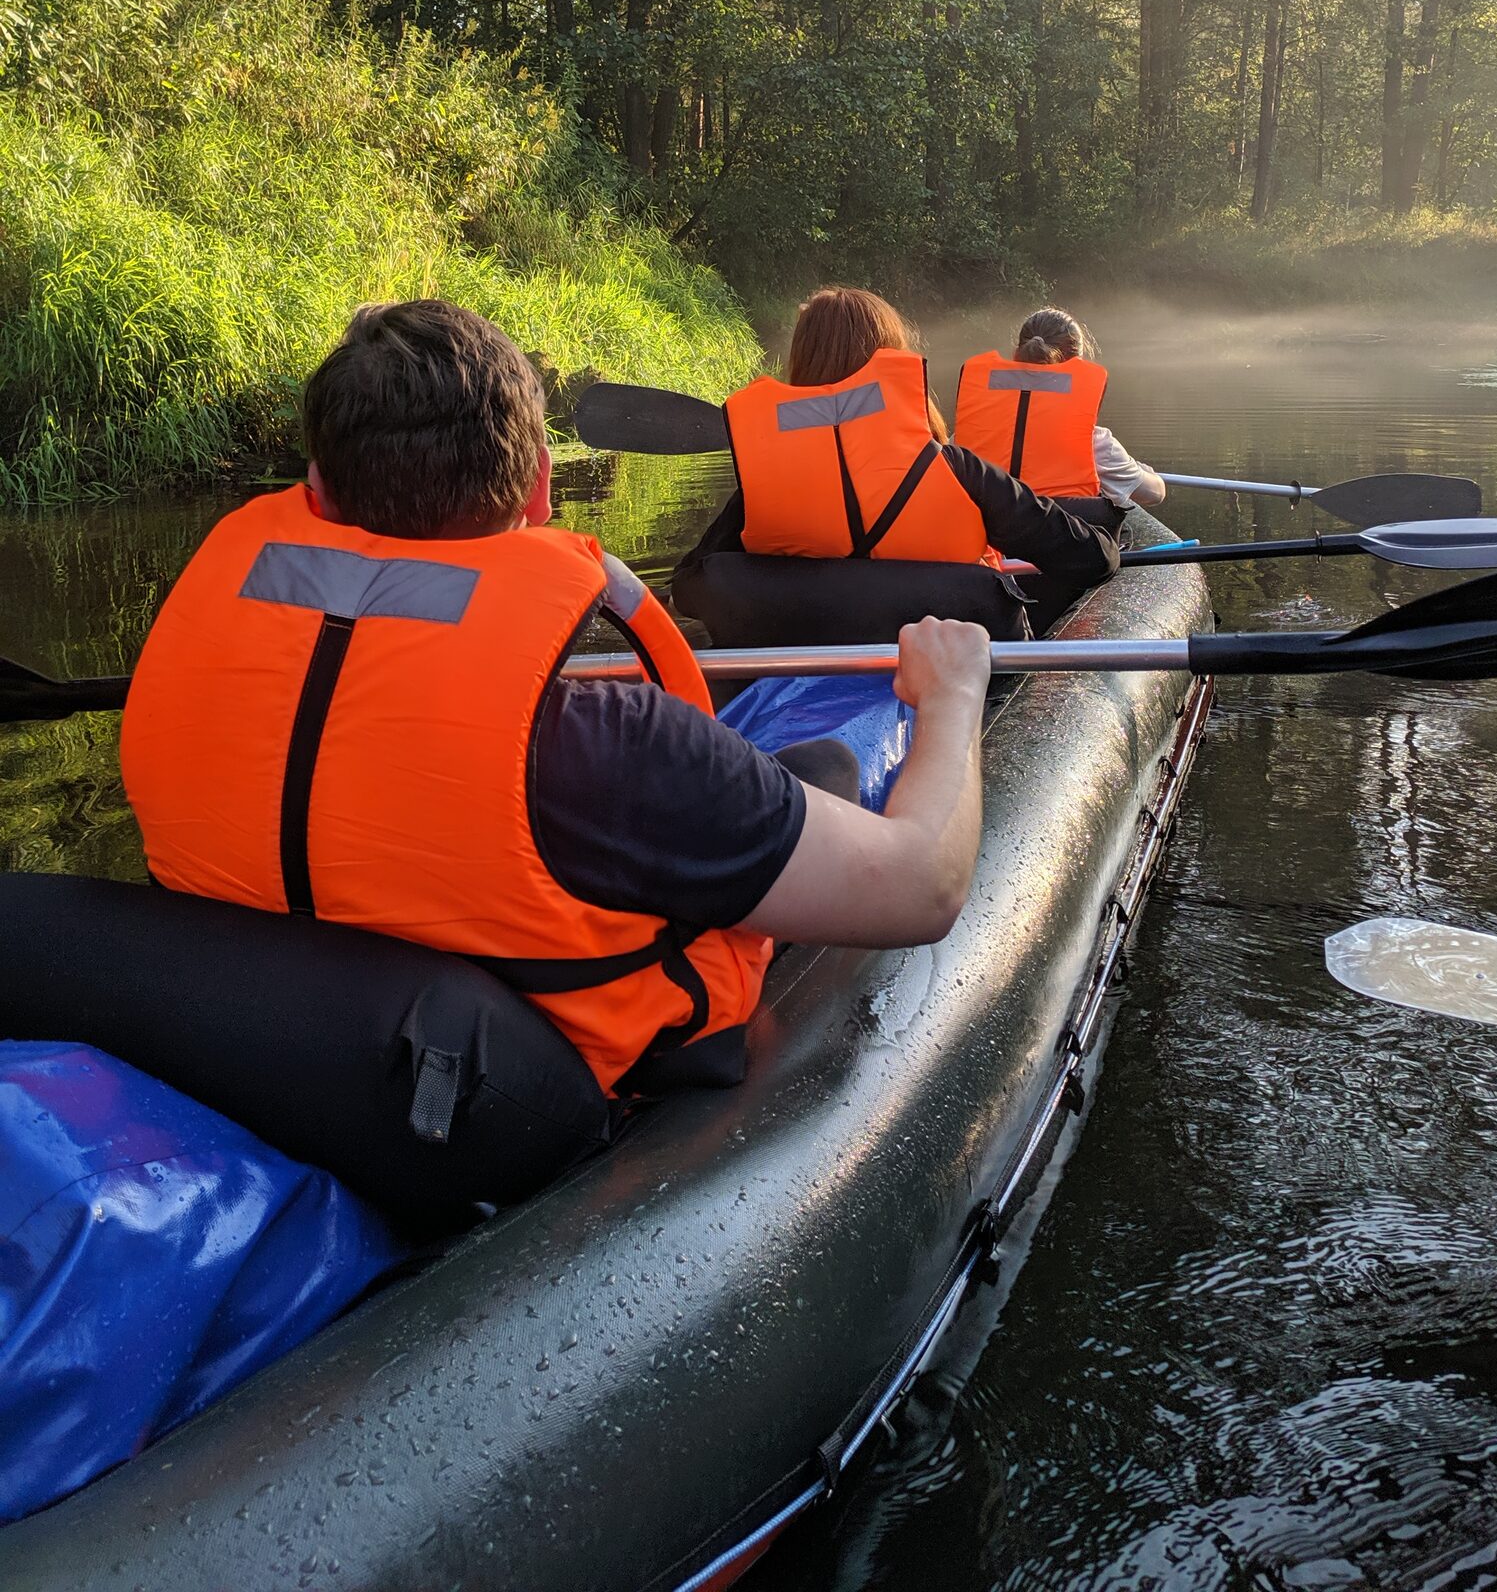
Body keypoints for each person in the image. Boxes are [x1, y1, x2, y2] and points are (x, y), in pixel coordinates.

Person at [119, 299, 994, 1103]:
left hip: (255, 1028)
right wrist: (952, 693)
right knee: (830, 765)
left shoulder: (192, 668)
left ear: (317, 487)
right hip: (508, 1097)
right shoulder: (606, 746)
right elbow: (922, 889)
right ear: (540, 485)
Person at [672, 287, 1124, 634]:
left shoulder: (762, 487)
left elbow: (687, 591)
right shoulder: (954, 469)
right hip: (944, 667)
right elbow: (1094, 558)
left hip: (802, 665)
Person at [954, 307, 1166, 518]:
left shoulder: (967, 434)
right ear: (1078, 363)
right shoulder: (1095, 443)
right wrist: (1145, 472)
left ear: (1016, 354)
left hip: (984, 548)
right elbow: (1155, 493)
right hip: (1059, 547)